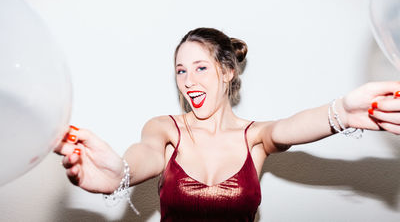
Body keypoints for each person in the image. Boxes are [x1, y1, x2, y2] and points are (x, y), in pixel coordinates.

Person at [54, 27, 400, 221]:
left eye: (201, 67)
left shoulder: (255, 137)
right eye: (181, 70)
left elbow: (288, 127)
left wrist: (340, 112)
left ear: (227, 71)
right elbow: (140, 158)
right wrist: (117, 174)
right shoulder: (164, 129)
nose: (189, 80)